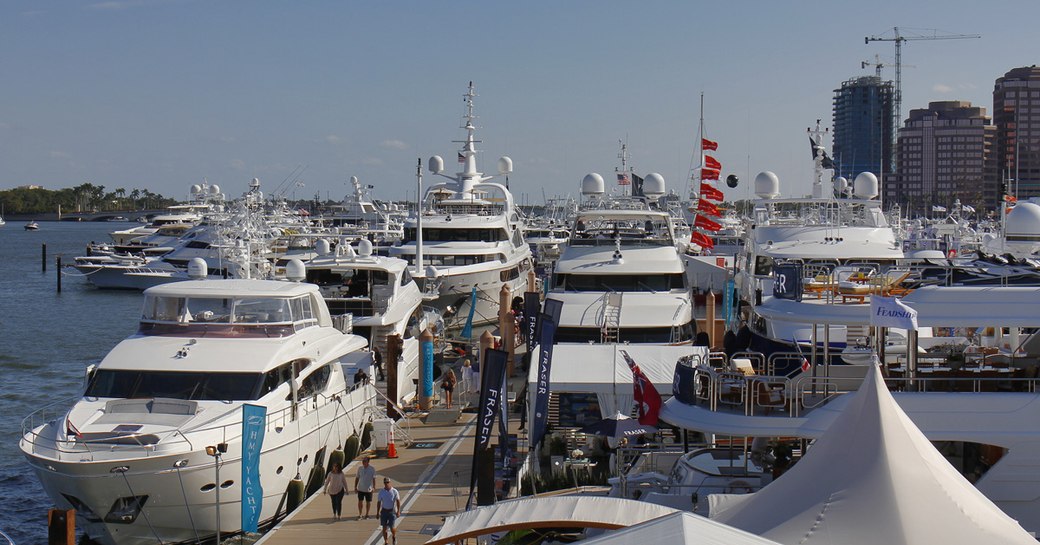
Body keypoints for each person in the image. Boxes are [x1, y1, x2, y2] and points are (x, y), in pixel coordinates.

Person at [378, 477, 402, 545]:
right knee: (384, 527)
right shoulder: (381, 491)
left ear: (390, 483)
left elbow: (398, 501)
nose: (386, 484)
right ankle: (386, 541)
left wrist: (398, 511)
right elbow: (379, 502)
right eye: (385, 483)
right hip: (384, 511)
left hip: (392, 511)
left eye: (387, 482)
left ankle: (394, 536)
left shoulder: (394, 491)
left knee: (392, 527)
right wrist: (377, 512)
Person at [354, 455, 377, 520]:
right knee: (360, 502)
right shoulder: (360, 468)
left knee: (368, 502)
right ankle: (360, 514)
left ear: (368, 462)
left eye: (365, 461)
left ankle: (367, 514)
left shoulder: (372, 469)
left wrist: (374, 487)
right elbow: (357, 478)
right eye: (363, 461)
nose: (363, 462)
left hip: (368, 489)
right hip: (360, 488)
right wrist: (355, 487)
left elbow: (374, 478)